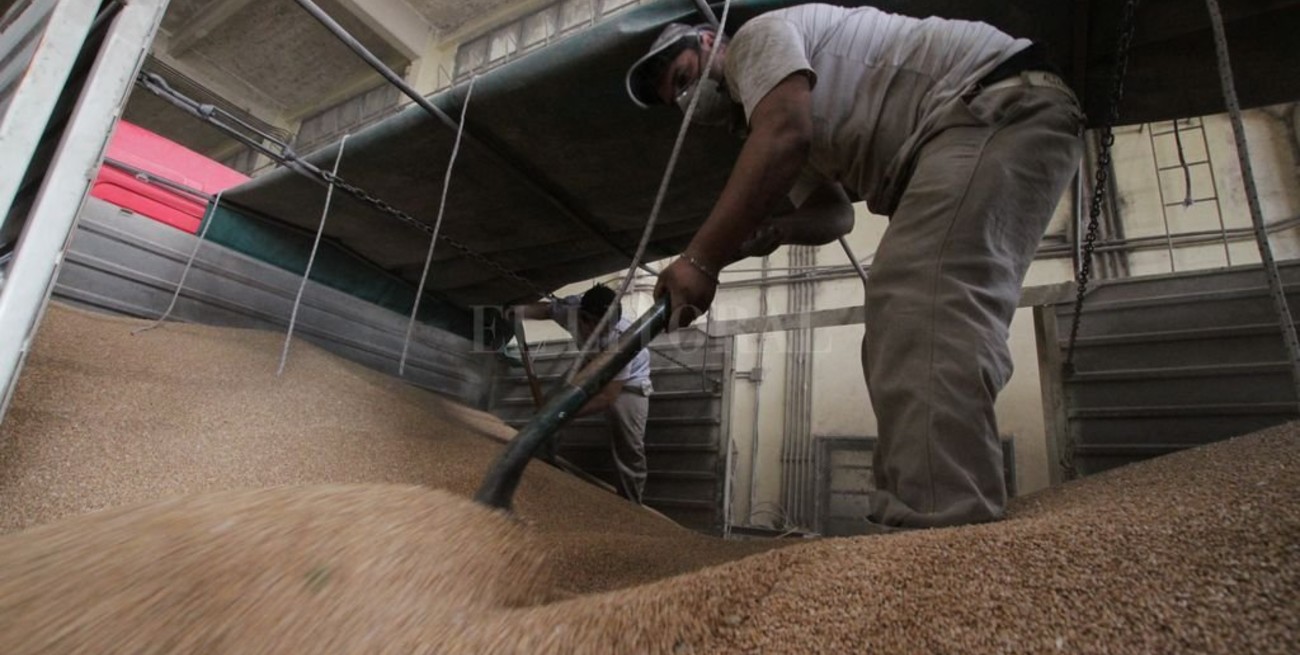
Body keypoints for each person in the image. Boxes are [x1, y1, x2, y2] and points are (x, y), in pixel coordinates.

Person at [626, 4, 1083, 530]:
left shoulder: (755, 40)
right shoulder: (771, 110)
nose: (686, 101)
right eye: (676, 100)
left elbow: (784, 136)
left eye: (684, 79)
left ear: (709, 43)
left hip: (989, 105)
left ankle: (944, 527)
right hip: (967, 127)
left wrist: (700, 259)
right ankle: (922, 509)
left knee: (919, 306)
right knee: (900, 322)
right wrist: (778, 230)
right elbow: (835, 214)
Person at [509, 285, 654, 504]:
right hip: (592, 362)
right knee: (552, 402)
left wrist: (564, 412)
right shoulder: (570, 311)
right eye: (601, 328)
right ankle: (542, 458)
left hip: (629, 382)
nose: (604, 332)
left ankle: (631, 502)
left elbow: (608, 397)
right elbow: (546, 310)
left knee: (628, 443)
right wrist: (516, 311)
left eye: (608, 328)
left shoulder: (623, 339)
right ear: (584, 318)